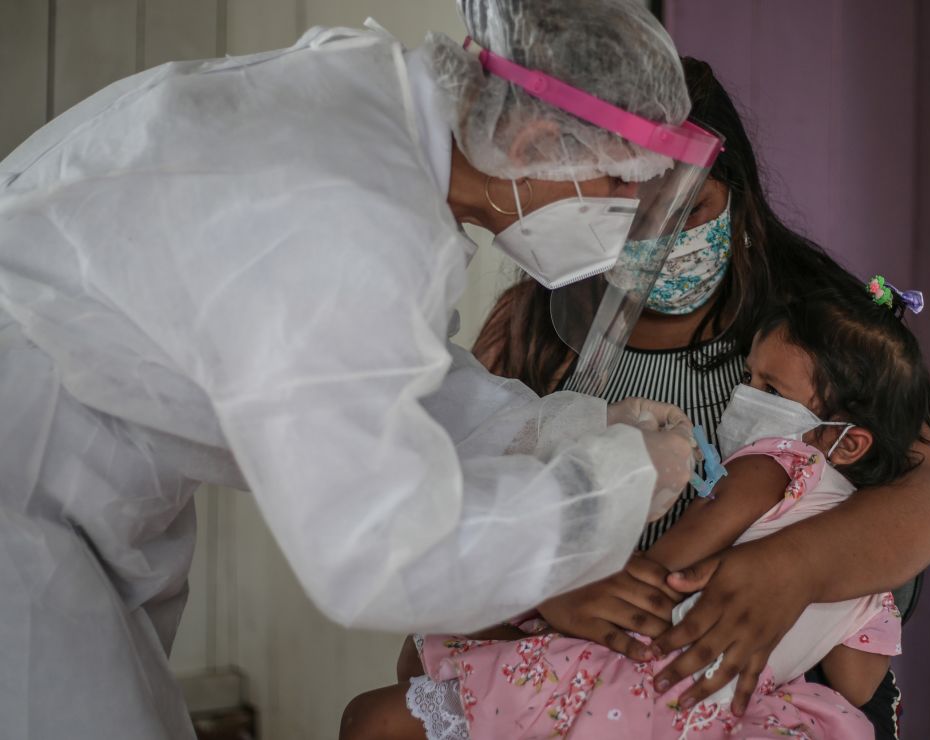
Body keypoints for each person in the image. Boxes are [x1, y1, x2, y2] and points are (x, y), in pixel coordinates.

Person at [0, 2, 718, 737]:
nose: (625, 216)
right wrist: (603, 489)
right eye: (616, 187)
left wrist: (566, 431)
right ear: (534, 142)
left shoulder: (374, 125)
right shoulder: (347, 216)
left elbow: (380, 378)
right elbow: (384, 549)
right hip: (24, 495)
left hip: (86, 481)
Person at [458, 58, 930, 736]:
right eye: (625, 216)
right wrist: (546, 593)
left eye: (685, 208)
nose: (657, 240)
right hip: (580, 692)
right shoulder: (528, 337)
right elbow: (454, 536)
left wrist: (792, 568)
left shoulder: (813, 331)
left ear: (737, 189)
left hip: (759, 697)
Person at [336, 273, 930, 740]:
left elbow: (662, 571)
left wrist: (571, 588)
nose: (744, 395)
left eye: (767, 389)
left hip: (625, 670)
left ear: (846, 438)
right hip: (711, 714)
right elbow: (857, 680)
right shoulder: (871, 580)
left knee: (373, 718)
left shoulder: (772, 464)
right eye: (750, 378)